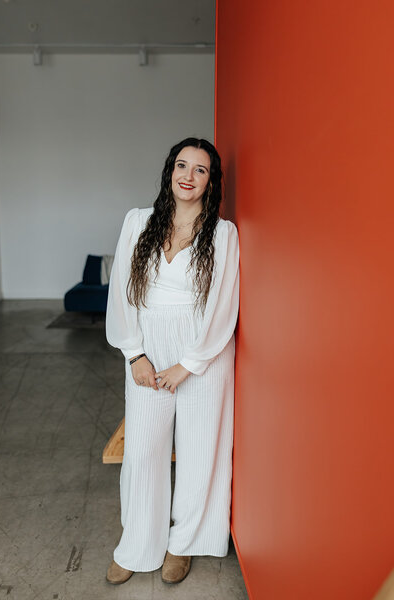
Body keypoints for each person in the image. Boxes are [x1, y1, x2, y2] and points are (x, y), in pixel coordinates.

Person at [104, 137, 240, 585]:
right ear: (170, 171)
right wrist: (134, 354)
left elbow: (224, 305)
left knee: (201, 449)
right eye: (182, 165)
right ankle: (138, 544)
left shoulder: (222, 234)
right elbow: (123, 293)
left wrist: (190, 363)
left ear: (211, 181)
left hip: (202, 351)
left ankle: (182, 544)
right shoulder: (138, 222)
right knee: (143, 450)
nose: (188, 175)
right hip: (149, 347)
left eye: (200, 170)